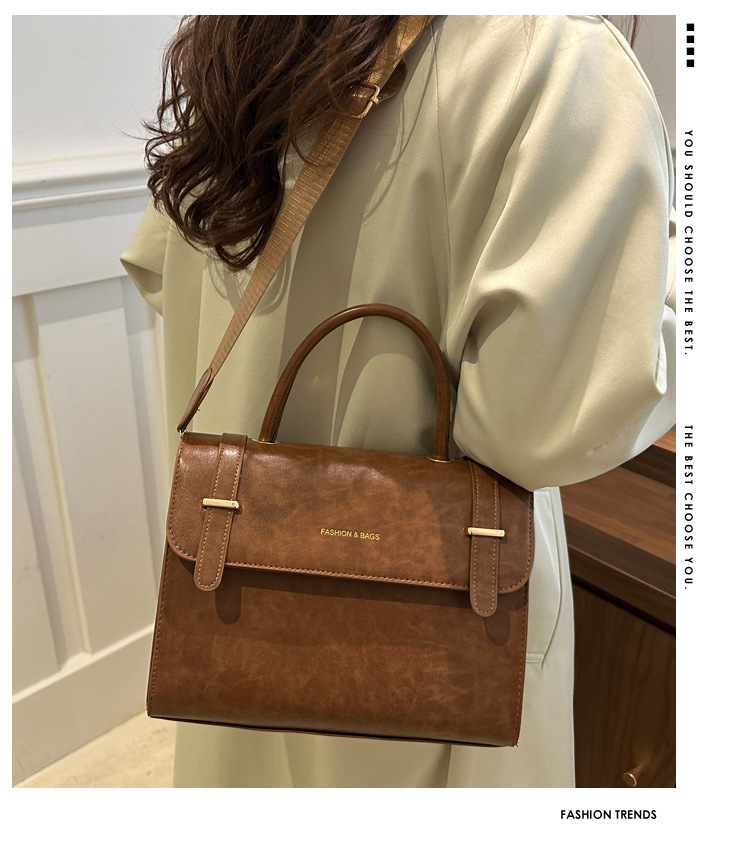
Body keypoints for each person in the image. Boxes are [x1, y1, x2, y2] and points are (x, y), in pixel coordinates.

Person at [121, 14, 675, 788]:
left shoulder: (243, 39)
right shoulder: (551, 53)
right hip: (436, 627)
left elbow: (162, 269)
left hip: (237, 590)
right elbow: (546, 424)